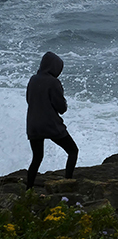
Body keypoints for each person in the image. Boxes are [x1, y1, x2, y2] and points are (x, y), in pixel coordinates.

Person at [26, 51, 79, 190]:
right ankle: (68, 182)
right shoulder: (53, 82)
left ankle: (28, 190)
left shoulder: (33, 79)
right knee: (73, 151)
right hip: (50, 125)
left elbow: (28, 100)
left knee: (37, 158)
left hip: (33, 125)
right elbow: (61, 108)